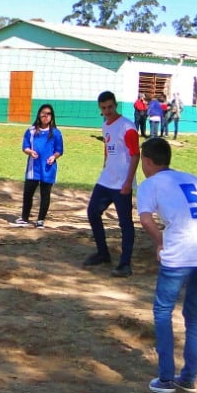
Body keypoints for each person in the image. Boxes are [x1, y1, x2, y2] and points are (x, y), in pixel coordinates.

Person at [136, 137, 197, 393]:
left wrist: (161, 242)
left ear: (147, 161)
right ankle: (188, 378)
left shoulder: (149, 184)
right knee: (194, 313)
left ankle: (165, 378)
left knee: (163, 310)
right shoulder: (196, 180)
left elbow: (145, 220)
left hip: (180, 250)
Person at [85, 90, 140, 277]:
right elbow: (107, 150)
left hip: (121, 182)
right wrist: (105, 166)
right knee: (93, 212)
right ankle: (103, 253)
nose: (107, 111)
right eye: (103, 108)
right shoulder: (105, 126)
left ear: (115, 105)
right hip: (107, 179)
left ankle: (125, 264)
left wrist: (128, 181)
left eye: (110, 107)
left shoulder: (127, 127)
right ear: (100, 109)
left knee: (125, 223)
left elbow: (135, 154)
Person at [11, 104, 63, 228]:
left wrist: (53, 157)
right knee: (28, 193)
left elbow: (59, 150)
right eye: (43, 113)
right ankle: (24, 218)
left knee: (45, 194)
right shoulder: (31, 131)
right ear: (39, 115)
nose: (46, 116)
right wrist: (30, 152)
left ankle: (40, 220)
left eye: (49, 114)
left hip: (48, 168)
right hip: (33, 168)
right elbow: (25, 147)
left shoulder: (56, 133)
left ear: (52, 116)